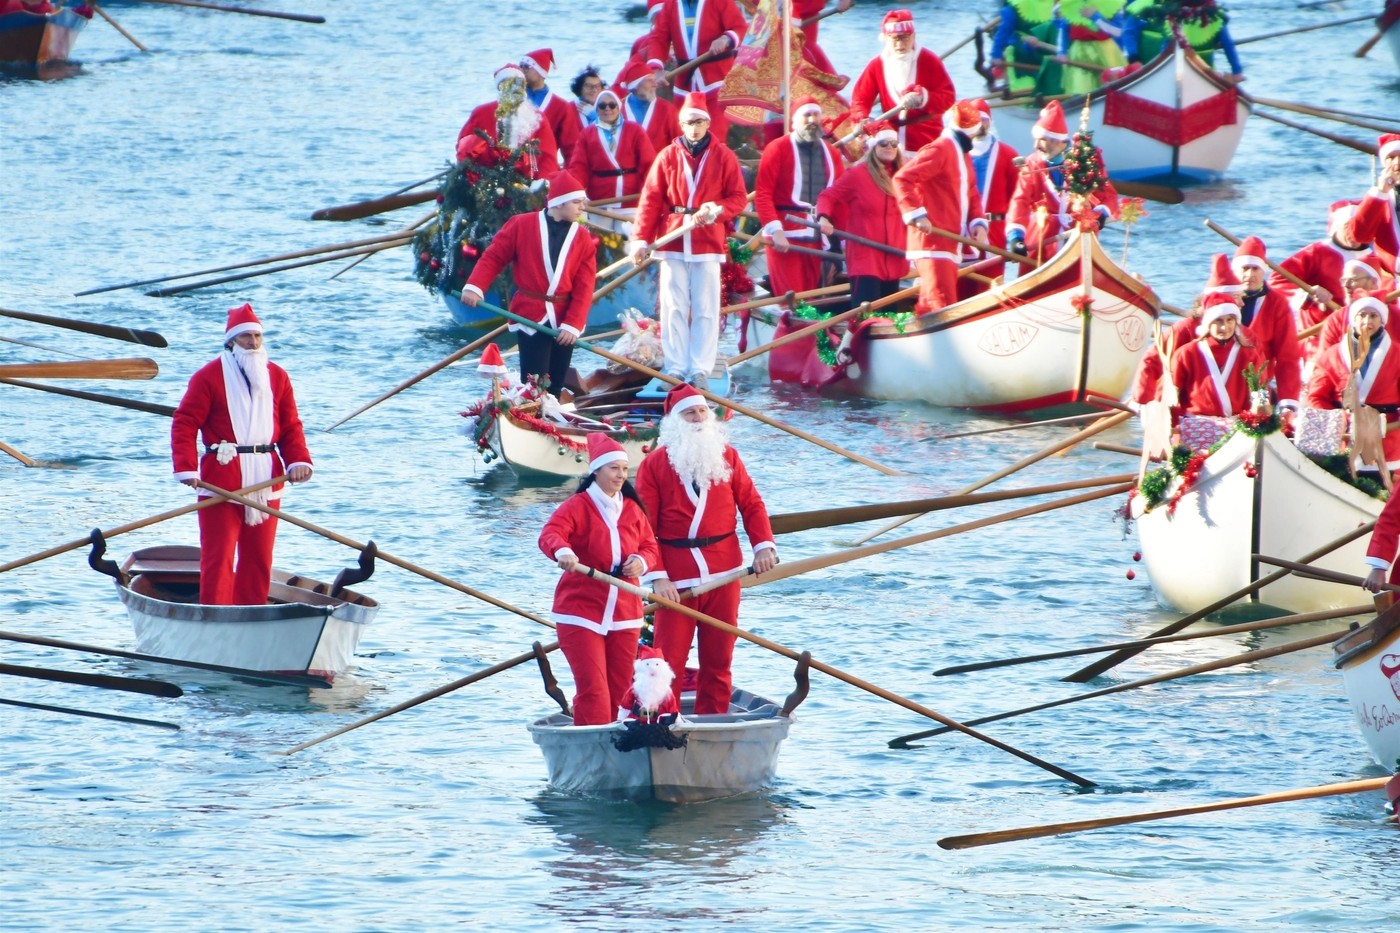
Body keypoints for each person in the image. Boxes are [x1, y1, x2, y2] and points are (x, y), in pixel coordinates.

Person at [636, 384, 778, 715]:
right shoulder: (654, 466)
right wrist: (657, 578)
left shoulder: (727, 457)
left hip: (725, 572)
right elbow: (643, 527)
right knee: (666, 664)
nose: (699, 418)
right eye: (690, 413)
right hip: (676, 580)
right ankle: (661, 725)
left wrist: (763, 547)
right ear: (674, 422)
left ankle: (713, 725)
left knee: (719, 661)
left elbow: (752, 503)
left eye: (702, 411)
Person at [170, 304, 313, 606]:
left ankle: (252, 612)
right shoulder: (208, 377)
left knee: (259, 557)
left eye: (257, 336)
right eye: (246, 337)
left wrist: (298, 462)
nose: (253, 343)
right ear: (232, 341)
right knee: (218, 555)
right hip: (222, 478)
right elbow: (185, 422)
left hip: (267, 477)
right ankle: (216, 614)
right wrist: (186, 468)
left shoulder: (277, 377)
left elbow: (290, 426)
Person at [539, 433, 662, 726]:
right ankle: (593, 745)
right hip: (581, 612)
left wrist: (641, 561)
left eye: (623, 469)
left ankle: (617, 744)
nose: (621, 475)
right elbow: (550, 534)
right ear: (596, 470)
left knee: (620, 690)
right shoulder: (578, 505)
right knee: (594, 690)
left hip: (624, 611)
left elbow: (650, 546)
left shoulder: (632, 509)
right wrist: (563, 551)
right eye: (614, 468)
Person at [630, 91, 748, 389]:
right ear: (681, 124)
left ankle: (700, 369)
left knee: (706, 306)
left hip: (707, 238)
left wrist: (717, 210)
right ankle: (676, 368)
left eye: (699, 121)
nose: (694, 127)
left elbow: (737, 197)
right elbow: (651, 200)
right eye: (689, 122)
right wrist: (640, 239)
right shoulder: (667, 156)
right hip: (673, 238)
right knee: (673, 306)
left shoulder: (724, 156)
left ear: (708, 123)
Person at [461, 172, 596, 397]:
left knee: (555, 383)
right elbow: (494, 257)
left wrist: (573, 324)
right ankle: (531, 415)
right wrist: (474, 286)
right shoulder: (521, 225)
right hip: (530, 315)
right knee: (534, 382)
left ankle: (550, 418)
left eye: (582, 202)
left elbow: (585, 285)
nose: (582, 207)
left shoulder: (583, 238)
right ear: (559, 203)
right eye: (576, 202)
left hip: (565, 320)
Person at [892, 100, 989, 314]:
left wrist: (978, 223)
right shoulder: (940, 149)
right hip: (933, 243)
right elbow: (902, 179)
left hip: (949, 242)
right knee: (942, 307)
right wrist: (918, 215)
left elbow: (971, 193)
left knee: (930, 305)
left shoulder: (963, 155)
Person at [1006, 100, 1119, 268]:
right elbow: (1019, 201)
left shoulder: (1085, 161)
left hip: (1079, 237)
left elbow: (1108, 195)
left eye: (1041, 140)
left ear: (1057, 141)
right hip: (1041, 242)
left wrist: (1101, 213)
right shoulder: (1032, 164)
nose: (1035, 146)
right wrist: (1016, 237)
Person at [755, 96, 845, 297]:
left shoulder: (832, 153)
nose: (812, 120)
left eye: (816, 114)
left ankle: (813, 328)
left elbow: (838, 195)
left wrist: (838, 232)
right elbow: (763, 195)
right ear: (794, 121)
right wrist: (775, 231)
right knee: (793, 298)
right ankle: (793, 326)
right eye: (807, 115)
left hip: (818, 234)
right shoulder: (777, 148)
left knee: (812, 298)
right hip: (786, 235)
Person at [1268, 201, 1374, 364]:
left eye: (1359, 225)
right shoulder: (1316, 253)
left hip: (1368, 337)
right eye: (1348, 226)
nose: (1354, 232)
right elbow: (1277, 281)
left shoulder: (1378, 254)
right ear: (1336, 227)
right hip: (1319, 341)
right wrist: (1308, 293)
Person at [1305, 290, 1400, 470]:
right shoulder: (1331, 355)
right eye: (1361, 315)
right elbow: (1316, 396)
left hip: (1386, 440)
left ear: (1382, 320)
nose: (1367, 321)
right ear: (1352, 319)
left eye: (1373, 316)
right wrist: (1337, 422)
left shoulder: (1397, 354)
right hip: (1344, 439)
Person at [817, 122, 910, 305]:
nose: (889, 148)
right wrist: (823, 217)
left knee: (889, 317)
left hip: (894, 257)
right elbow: (827, 196)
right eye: (884, 144)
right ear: (874, 146)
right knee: (865, 317)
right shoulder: (857, 174)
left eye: (893, 144)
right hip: (865, 259)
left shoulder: (903, 176)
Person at [849, 9, 957, 156]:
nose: (900, 44)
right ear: (886, 38)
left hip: (927, 141)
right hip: (892, 144)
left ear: (914, 36)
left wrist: (924, 98)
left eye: (905, 37)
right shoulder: (876, 65)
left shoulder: (930, 61)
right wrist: (861, 118)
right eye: (894, 38)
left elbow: (949, 98)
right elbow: (860, 99)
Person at [645, 0, 748, 144]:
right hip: (684, 84)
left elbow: (740, 27)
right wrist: (656, 69)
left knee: (715, 139)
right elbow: (659, 38)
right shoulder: (670, 5)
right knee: (681, 138)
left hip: (718, 82)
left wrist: (726, 38)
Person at [1228, 238, 1302, 417]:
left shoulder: (1277, 304)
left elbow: (1288, 358)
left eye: (1256, 269)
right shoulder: (1220, 300)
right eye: (1245, 269)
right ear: (1235, 270)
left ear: (1264, 271)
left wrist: (1288, 402)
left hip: (1259, 390)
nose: (1250, 275)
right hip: (1222, 387)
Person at [456, 63, 560, 181]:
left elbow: (548, 157)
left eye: (518, 84)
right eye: (508, 85)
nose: (514, 89)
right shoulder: (481, 114)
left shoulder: (537, 117)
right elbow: (465, 150)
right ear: (500, 89)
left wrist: (542, 183)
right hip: (488, 181)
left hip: (529, 182)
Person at [1169, 291, 1264, 420]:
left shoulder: (1249, 355)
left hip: (1238, 427)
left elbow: (1259, 391)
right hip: (1195, 426)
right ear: (1208, 324)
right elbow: (1171, 395)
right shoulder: (1186, 354)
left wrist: (1262, 411)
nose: (1225, 327)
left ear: (1236, 322)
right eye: (1218, 321)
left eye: (1229, 320)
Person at [566, 89, 657, 212]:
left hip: (631, 200)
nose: (607, 109)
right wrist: (576, 193)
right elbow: (579, 167)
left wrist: (651, 190)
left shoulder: (635, 130)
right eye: (602, 106)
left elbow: (649, 164)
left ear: (619, 107)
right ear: (596, 109)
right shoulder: (587, 134)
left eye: (612, 105)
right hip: (599, 200)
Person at [968, 99, 1022, 252]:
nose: (979, 124)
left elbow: (1017, 199)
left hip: (995, 231)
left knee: (993, 276)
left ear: (990, 121)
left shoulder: (1008, 154)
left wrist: (1015, 236)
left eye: (983, 119)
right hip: (964, 230)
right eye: (974, 119)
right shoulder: (956, 152)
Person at [1054, 0, 1129, 96]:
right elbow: (1063, 30)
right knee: (1080, 93)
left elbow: (1117, 32)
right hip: (1079, 54)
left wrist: (1095, 16)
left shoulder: (1114, 3)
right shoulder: (1070, 4)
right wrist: (1061, 52)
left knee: (1114, 90)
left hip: (1107, 53)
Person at [520, 48, 582, 165]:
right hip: (513, 167)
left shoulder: (560, 106)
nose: (521, 70)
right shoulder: (514, 100)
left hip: (546, 165)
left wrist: (569, 175)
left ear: (541, 72)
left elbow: (571, 148)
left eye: (527, 67)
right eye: (520, 66)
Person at [1350, 134, 1400, 274]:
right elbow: (1359, 236)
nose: (1397, 163)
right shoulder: (1378, 200)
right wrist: (1380, 192)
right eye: (1391, 158)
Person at [618, 59, 683, 157]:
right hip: (627, 170)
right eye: (649, 80)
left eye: (654, 80)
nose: (655, 84)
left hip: (659, 168)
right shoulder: (616, 109)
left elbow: (679, 144)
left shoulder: (668, 110)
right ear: (636, 85)